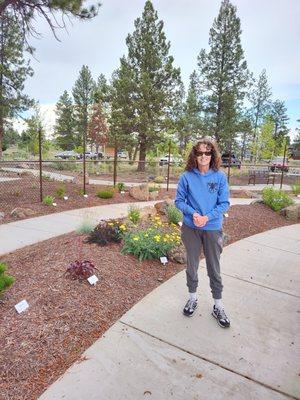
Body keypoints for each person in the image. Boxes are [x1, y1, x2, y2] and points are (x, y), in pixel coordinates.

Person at [175, 137, 230, 328]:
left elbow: (224, 203)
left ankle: (218, 305)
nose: (204, 156)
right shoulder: (186, 177)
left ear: (212, 154)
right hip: (191, 227)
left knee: (214, 267)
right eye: (200, 152)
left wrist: (207, 217)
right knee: (192, 264)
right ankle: (192, 298)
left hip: (212, 228)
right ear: (194, 155)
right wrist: (194, 214)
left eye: (208, 152)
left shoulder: (220, 177)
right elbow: (179, 201)